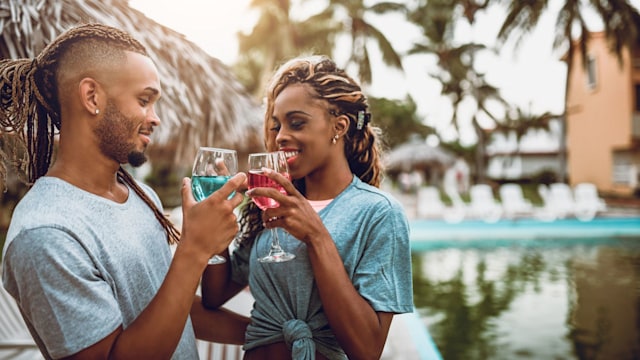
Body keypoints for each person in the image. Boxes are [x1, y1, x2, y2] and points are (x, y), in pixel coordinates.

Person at [0, 23, 249, 359]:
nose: (155, 118)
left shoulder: (141, 195)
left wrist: (269, 338)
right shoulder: (45, 233)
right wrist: (194, 250)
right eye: (144, 100)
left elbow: (169, 310)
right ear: (92, 97)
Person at [201, 55, 414, 359]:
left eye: (296, 123)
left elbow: (367, 350)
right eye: (276, 126)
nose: (280, 136)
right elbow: (214, 295)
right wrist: (217, 230)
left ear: (338, 127)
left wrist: (316, 236)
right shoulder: (272, 202)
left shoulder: (378, 214)